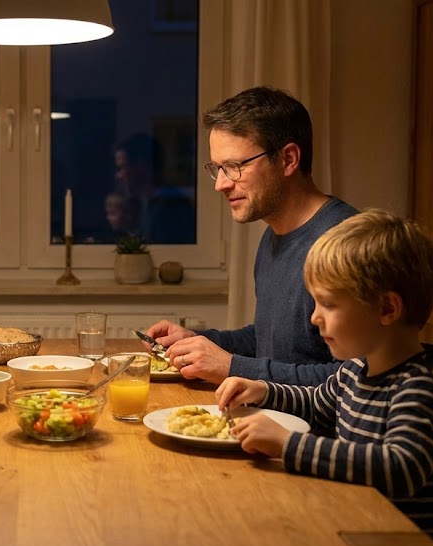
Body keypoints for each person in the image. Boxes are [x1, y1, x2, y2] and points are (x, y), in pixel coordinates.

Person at [215, 209, 433, 546]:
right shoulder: (354, 370)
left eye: (328, 304)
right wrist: (262, 390)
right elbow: (316, 403)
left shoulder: (422, 386)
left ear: (387, 309)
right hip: (357, 532)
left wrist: (288, 445)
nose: (314, 316)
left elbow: (400, 469)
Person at [146, 86, 358, 386]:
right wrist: (197, 341)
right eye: (217, 169)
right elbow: (271, 341)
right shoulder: (274, 235)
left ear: (288, 159)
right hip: (268, 420)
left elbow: (353, 382)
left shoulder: (348, 247)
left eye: (233, 167)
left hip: (312, 432)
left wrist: (232, 367)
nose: (220, 184)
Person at [113, 133, 196, 244]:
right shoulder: (149, 203)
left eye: (122, 167)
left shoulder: (171, 207)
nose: (118, 175)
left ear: (141, 165)